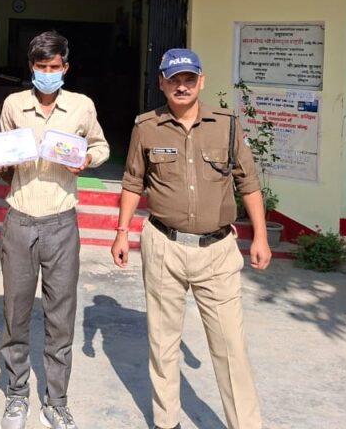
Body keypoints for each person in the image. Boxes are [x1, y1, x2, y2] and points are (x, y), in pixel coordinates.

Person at [111, 48, 271, 429]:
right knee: (163, 342)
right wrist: (122, 232)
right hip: (163, 245)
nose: (181, 86)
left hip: (217, 251)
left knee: (230, 347)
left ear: (201, 81)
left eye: (189, 79)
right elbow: (133, 181)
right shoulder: (146, 127)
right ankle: (167, 422)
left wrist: (261, 237)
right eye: (174, 80)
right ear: (162, 83)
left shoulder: (226, 125)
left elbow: (248, 183)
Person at [0, 31, 110, 429]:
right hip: (19, 218)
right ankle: (16, 395)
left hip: (62, 222)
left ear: (66, 67)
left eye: (55, 67)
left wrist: (87, 160)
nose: (48, 73)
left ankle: (56, 402)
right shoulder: (14, 104)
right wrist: (1, 162)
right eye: (41, 67)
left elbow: (101, 146)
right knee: (15, 312)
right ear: (32, 67)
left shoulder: (81, 106)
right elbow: (4, 152)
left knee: (61, 316)